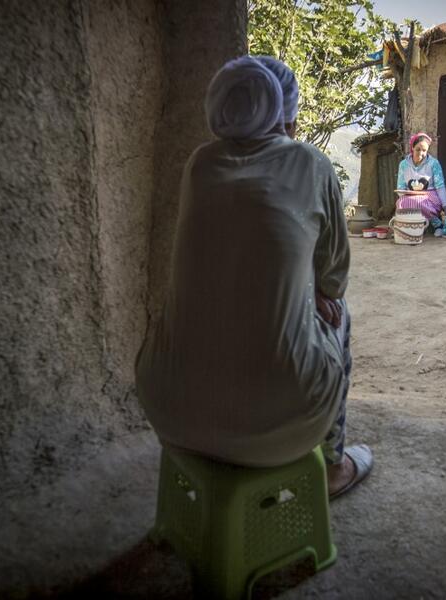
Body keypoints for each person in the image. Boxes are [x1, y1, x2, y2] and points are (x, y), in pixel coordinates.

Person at [134, 56, 373, 499]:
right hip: (282, 423)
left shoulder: (200, 165)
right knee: (339, 313)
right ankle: (332, 466)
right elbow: (334, 277)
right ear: (289, 114)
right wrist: (316, 294)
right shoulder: (312, 164)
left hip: (168, 411)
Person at [395, 132, 446, 237]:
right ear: (412, 148)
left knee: (418, 202)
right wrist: (408, 196)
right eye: (418, 149)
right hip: (410, 196)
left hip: (430, 197)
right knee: (401, 203)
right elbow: (400, 187)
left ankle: (438, 224)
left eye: (424, 150)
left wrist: (445, 205)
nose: (421, 153)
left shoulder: (433, 163)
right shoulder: (404, 165)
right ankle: (408, 227)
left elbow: (440, 185)